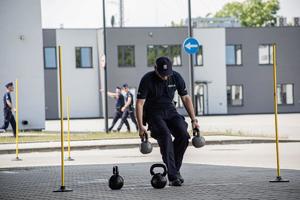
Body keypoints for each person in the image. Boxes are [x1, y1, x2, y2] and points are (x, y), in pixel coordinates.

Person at [136, 56, 200, 186]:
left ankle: (174, 170)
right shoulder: (147, 79)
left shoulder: (176, 77)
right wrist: (141, 126)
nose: (165, 77)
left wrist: (194, 120)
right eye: (162, 74)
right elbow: (139, 104)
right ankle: (173, 176)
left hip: (170, 110)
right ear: (155, 69)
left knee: (183, 135)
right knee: (165, 137)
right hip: (153, 113)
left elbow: (186, 98)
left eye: (167, 74)